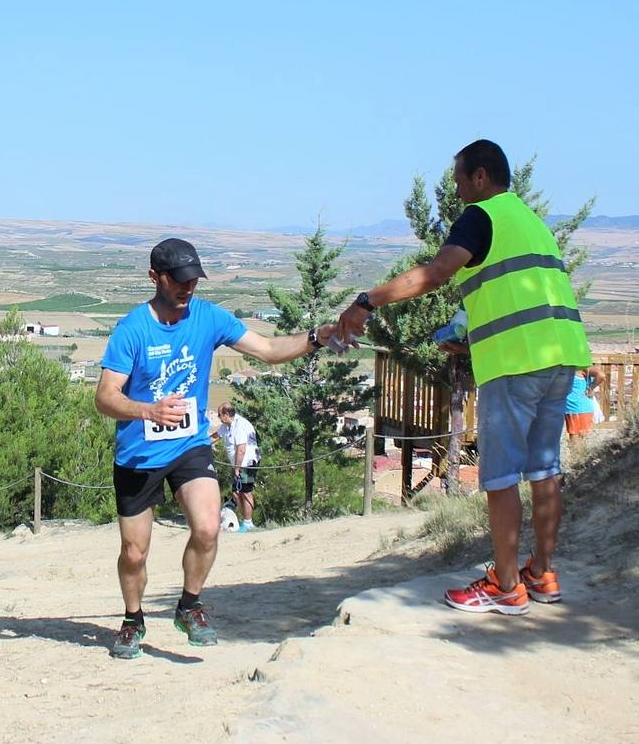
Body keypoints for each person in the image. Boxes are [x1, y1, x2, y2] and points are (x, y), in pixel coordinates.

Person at [337, 139, 591, 615]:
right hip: (561, 357)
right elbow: (521, 297)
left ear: (480, 176)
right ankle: (543, 573)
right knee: (544, 470)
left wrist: (367, 301)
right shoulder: (530, 221)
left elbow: (435, 273)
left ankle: (506, 586)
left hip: (515, 365)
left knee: (500, 476)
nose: (455, 191)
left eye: (458, 180)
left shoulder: (480, 216)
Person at [95, 238, 337, 659]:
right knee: (134, 552)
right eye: (179, 280)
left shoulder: (209, 317)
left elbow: (268, 350)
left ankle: (189, 606)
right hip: (139, 454)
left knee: (208, 528)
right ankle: (133, 619)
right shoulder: (132, 329)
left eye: (193, 279)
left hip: (189, 445)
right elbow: (104, 397)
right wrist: (148, 410)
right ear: (154, 277)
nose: (188, 287)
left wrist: (317, 337)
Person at [214, 402, 260, 532]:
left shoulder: (240, 425)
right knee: (237, 492)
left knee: (245, 492)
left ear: (226, 414)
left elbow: (241, 449)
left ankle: (248, 523)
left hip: (246, 463)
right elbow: (216, 436)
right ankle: (244, 520)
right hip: (238, 464)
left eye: (219, 415)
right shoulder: (226, 425)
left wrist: (236, 469)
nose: (218, 417)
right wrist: (200, 443)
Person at [563, 366, 602, 455]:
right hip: (584, 407)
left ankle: (576, 459)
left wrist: (590, 388)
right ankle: (580, 458)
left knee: (575, 438)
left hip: (575, 407)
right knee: (581, 438)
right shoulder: (582, 367)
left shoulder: (580, 367)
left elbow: (601, 375)